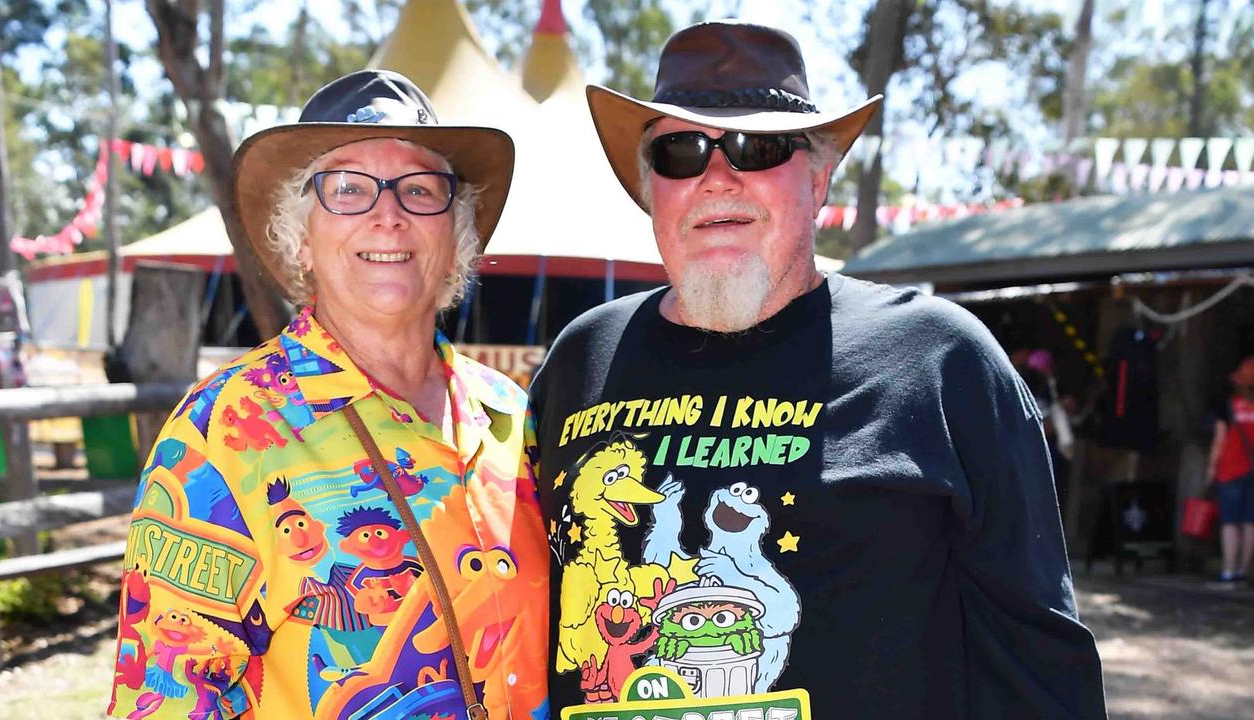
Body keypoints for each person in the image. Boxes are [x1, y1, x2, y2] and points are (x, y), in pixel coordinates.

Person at [529, 21, 1106, 719]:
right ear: (653, 187)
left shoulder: (939, 359)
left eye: (757, 146)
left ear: (819, 175)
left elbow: (1037, 662)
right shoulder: (581, 356)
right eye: (679, 151)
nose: (717, 177)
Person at [106, 70, 548, 720]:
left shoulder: (508, 411)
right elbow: (169, 700)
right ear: (301, 241)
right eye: (347, 189)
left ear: (457, 242)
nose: (387, 215)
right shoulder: (223, 430)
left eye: (420, 190)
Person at [1206, 355, 1254, 587]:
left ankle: (1228, 571)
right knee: (1249, 523)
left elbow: (1219, 439)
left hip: (1231, 471)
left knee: (1230, 523)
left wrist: (1211, 467)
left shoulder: (1227, 406)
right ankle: (1243, 572)